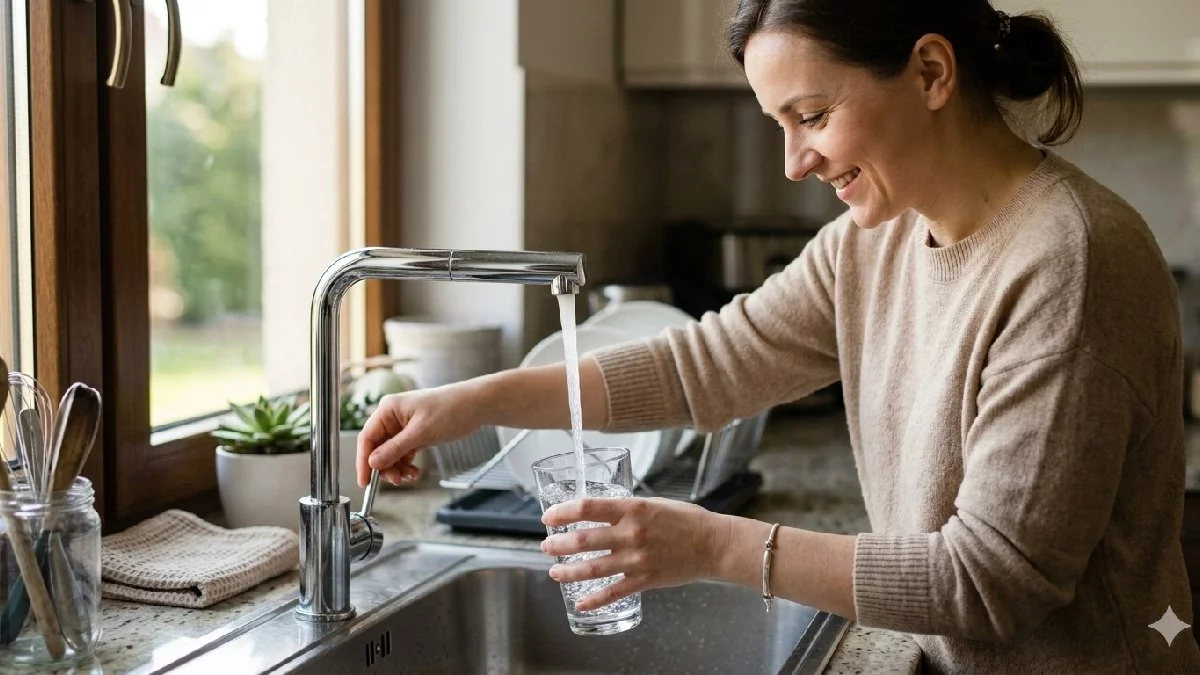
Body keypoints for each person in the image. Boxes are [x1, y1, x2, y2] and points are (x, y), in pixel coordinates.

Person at [357, 0, 1200, 671]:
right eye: (780, 123)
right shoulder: (876, 236)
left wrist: (709, 543)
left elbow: (991, 581)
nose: (795, 160)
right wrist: (473, 400)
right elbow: (707, 367)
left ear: (932, 71)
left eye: (813, 114)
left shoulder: (1071, 260)